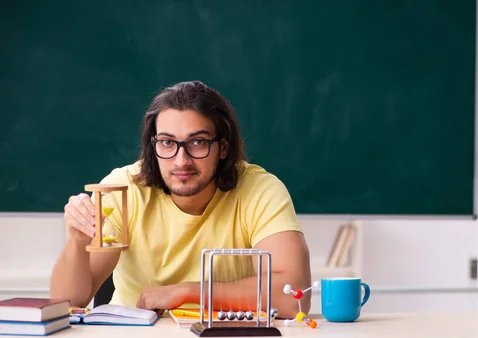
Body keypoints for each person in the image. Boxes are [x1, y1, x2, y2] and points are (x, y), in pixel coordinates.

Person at [50, 81, 312, 319]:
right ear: (153, 145)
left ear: (223, 147)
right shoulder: (122, 190)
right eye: (167, 142)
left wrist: (188, 292)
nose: (181, 160)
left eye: (197, 142)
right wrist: (76, 241)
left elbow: (293, 298)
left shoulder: (259, 189)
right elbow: (68, 303)